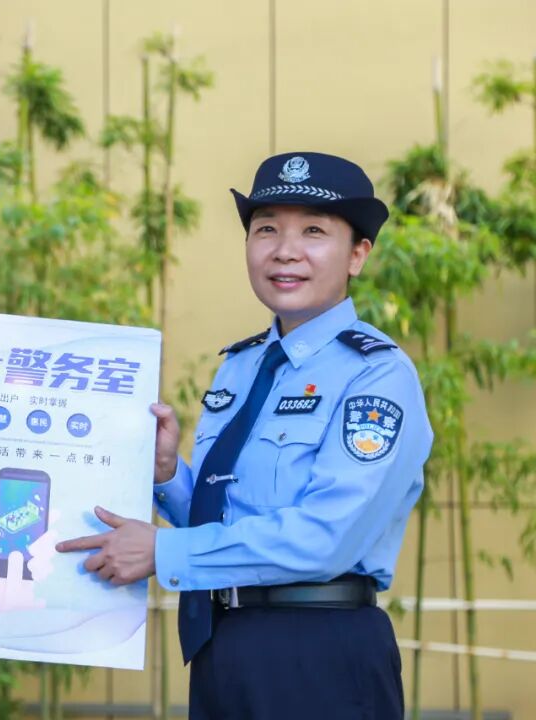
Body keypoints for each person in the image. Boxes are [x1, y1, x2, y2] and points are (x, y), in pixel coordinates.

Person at [56, 152, 433, 719]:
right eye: (267, 230)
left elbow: (325, 538)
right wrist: (168, 475)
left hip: (320, 651)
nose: (285, 250)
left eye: (313, 231)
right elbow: (229, 519)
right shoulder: (241, 365)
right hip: (225, 643)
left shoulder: (377, 375)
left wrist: (162, 550)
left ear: (358, 254)